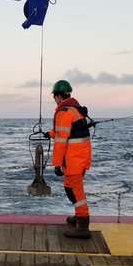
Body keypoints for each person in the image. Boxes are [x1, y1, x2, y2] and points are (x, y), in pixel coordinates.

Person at [47, 80, 92, 239]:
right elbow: (66, 131)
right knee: (72, 188)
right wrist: (50, 134)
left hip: (73, 159)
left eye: (54, 97)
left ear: (59, 96)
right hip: (81, 156)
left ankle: (83, 225)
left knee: (74, 190)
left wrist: (57, 164)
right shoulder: (74, 109)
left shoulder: (64, 112)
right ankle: (79, 216)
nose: (54, 100)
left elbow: (61, 141)